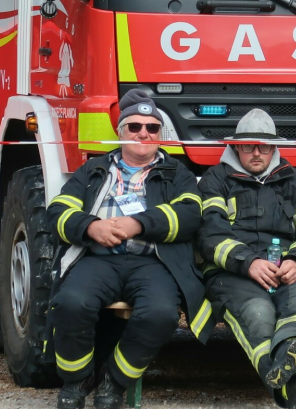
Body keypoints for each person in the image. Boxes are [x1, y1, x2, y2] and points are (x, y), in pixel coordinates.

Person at [44, 89, 212, 409]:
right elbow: (58, 211)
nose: (143, 133)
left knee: (161, 315)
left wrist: (141, 224)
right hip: (98, 259)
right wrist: (91, 227)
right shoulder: (94, 169)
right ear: (120, 132)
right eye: (134, 127)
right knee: (70, 303)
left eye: (151, 128)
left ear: (160, 135)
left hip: (153, 262)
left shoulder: (177, 174)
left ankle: (113, 382)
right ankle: (76, 382)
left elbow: (191, 213)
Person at [198, 109, 296, 409]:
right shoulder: (215, 180)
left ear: (275, 147)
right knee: (257, 313)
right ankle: (288, 387)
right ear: (234, 146)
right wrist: (248, 263)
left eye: (264, 146)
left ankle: (288, 373)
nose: (257, 153)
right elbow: (210, 236)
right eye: (248, 146)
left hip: (287, 268)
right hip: (233, 272)